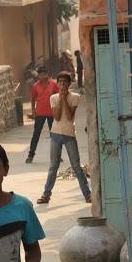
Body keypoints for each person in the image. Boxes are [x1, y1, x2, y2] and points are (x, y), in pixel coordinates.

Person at [37, 72, 91, 204]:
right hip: (55, 134)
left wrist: (64, 98)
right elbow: (56, 117)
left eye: (64, 82)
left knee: (76, 166)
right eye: (60, 82)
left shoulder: (75, 97)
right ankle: (46, 194)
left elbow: (68, 116)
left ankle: (87, 195)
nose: (62, 84)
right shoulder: (53, 98)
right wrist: (60, 99)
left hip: (69, 135)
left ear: (69, 83)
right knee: (53, 166)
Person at [25, 66, 59, 164]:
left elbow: (59, 97)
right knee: (36, 134)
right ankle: (30, 155)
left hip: (52, 113)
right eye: (39, 74)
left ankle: (57, 156)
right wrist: (33, 110)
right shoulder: (35, 86)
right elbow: (32, 98)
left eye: (43, 74)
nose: (41, 76)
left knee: (54, 135)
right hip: (40, 113)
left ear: (47, 74)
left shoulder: (54, 84)